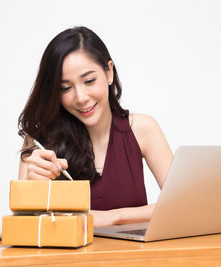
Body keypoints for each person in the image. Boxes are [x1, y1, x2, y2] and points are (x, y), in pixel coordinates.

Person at [17, 26, 173, 227]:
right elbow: (23, 226)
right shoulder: (39, 141)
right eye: (66, 88)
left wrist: (112, 217)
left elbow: (181, 205)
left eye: (89, 81)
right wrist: (32, 188)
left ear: (109, 72)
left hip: (132, 258)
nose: (81, 98)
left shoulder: (143, 129)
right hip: (64, 259)